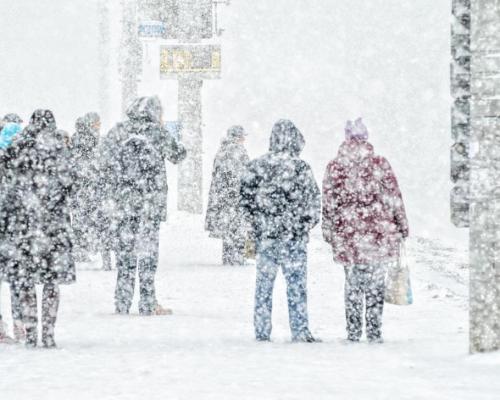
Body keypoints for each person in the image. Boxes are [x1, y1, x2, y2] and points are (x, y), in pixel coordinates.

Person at [322, 118, 409, 343]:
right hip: (378, 234)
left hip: (348, 234)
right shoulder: (380, 164)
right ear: (366, 138)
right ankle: (373, 331)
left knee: (352, 284)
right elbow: (394, 197)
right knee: (375, 286)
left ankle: (353, 332)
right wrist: (402, 225)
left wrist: (329, 229)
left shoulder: (335, 166)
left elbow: (329, 201)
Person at [101, 96, 186, 316]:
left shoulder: (119, 130)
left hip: (124, 203)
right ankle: (148, 301)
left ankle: (122, 301)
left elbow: (102, 158)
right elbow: (178, 155)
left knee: (125, 253)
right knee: (148, 254)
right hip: (150, 204)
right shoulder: (157, 133)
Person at [0, 109, 76, 348]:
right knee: (51, 281)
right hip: (53, 227)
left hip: (23, 226)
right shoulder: (59, 149)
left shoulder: (15, 149)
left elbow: (7, 188)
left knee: (26, 280)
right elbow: (71, 186)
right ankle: (49, 332)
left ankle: (31, 332)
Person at [240, 119, 321, 342]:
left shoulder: (257, 166)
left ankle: (262, 330)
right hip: (294, 239)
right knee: (296, 287)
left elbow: (244, 201)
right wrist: (302, 225)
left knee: (264, 287)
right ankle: (300, 330)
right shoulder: (300, 167)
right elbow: (314, 203)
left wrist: (258, 224)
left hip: (267, 238)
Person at [205, 125, 250, 265]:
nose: (244, 139)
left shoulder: (222, 151)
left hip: (222, 196)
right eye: (243, 136)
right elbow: (244, 175)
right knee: (238, 227)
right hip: (235, 196)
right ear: (238, 137)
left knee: (228, 227)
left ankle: (228, 257)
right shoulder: (238, 151)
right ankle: (237, 258)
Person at [70, 112, 103, 264]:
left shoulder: (75, 139)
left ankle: (80, 248)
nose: (99, 125)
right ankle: (89, 247)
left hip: (78, 185)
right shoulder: (92, 139)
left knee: (79, 218)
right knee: (90, 218)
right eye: (97, 123)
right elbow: (98, 161)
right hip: (89, 184)